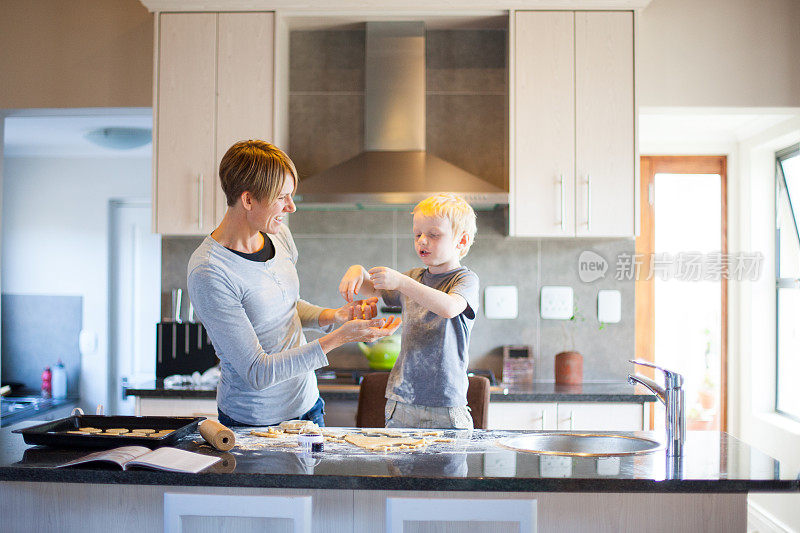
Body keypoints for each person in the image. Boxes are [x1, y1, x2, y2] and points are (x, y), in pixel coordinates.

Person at [187, 140, 400, 427]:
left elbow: (284, 307)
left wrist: (334, 317)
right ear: (248, 200)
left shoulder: (279, 236)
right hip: (255, 423)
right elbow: (256, 372)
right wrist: (340, 337)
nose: (291, 207)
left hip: (308, 407)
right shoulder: (210, 271)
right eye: (281, 197)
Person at [338, 193, 479, 429]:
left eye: (433, 234)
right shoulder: (413, 277)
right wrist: (357, 271)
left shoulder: (465, 279)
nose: (422, 241)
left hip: (446, 404)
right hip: (402, 401)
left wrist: (401, 282)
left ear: (461, 241)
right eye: (418, 234)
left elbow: (449, 307)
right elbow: (373, 289)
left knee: (448, 466)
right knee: (399, 466)